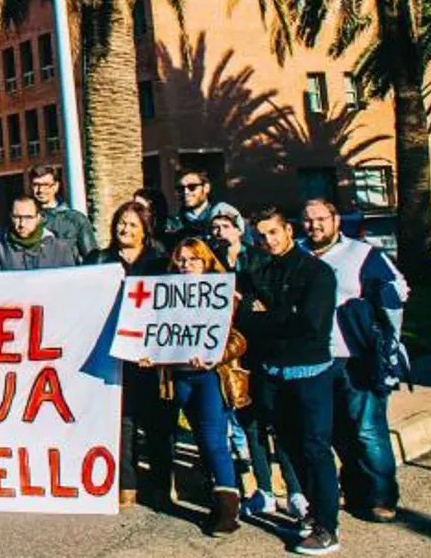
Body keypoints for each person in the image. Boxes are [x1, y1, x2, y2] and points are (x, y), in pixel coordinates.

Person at [238, 207, 341, 556]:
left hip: (309, 373)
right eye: (261, 235)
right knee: (291, 449)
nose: (268, 240)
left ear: (288, 230)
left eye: (274, 232)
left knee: (315, 449)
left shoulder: (317, 272)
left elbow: (310, 323)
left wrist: (267, 318)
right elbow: (245, 317)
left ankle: (328, 527)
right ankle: (312, 514)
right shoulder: (261, 269)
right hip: (273, 374)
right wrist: (273, 318)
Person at [303, 198, 408, 524]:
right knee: (335, 432)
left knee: (367, 430)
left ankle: (381, 497)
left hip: (355, 357)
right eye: (307, 220)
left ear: (335, 220)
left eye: (321, 218)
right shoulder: (298, 253)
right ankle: (353, 489)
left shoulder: (362, 254)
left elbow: (398, 289)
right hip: (315, 359)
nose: (314, 225)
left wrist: (382, 330)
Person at [154, 238, 245, 535]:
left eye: (193, 259)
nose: (186, 265)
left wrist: (215, 354)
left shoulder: (222, 294)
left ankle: (229, 509)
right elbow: (155, 334)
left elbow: (238, 340)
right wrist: (148, 354)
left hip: (208, 377)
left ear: (206, 262)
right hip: (177, 377)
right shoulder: (165, 294)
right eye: (181, 259)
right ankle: (215, 501)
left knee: (213, 439)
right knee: (200, 439)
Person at [105, 199, 175, 508]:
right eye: (121, 222)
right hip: (112, 354)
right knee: (122, 420)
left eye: (133, 224)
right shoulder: (100, 260)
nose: (125, 228)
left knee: (157, 421)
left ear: (145, 230)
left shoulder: (160, 262)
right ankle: (126, 483)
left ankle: (161, 482)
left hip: (150, 357)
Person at [0, 195, 82, 270]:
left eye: (28, 217)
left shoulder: (60, 249)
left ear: (38, 218)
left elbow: (68, 287)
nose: (22, 224)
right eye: (17, 217)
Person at [27, 165, 97, 261]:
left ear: (56, 186)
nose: (40, 190)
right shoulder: (23, 220)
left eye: (46, 185)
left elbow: (92, 258)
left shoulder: (76, 220)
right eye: (36, 185)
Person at [165, 167, 240, 249]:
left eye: (192, 187)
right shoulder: (172, 224)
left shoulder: (226, 214)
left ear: (206, 188)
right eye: (180, 188)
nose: (186, 192)